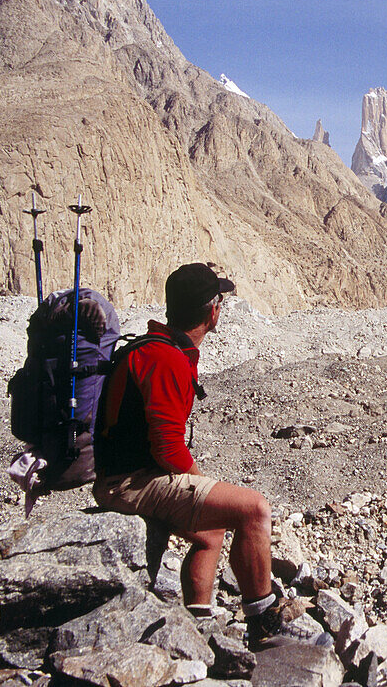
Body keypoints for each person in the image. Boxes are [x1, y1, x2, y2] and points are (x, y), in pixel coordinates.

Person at [93, 262, 294, 649]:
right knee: (254, 510)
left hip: (126, 475)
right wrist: (200, 483)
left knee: (210, 531)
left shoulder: (161, 348)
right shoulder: (165, 358)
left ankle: (196, 628)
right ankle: (264, 621)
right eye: (220, 301)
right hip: (131, 483)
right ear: (212, 310)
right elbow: (167, 446)